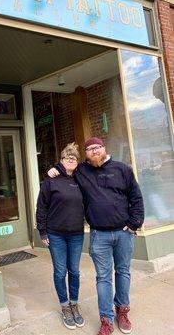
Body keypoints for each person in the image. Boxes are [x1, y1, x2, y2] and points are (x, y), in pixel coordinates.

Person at [48, 137, 144, 335]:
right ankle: (106, 319)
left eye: (97, 148)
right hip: (99, 235)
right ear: (87, 153)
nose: (94, 151)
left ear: (104, 148)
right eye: (90, 149)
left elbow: (136, 196)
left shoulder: (122, 169)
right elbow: (69, 163)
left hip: (123, 233)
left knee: (123, 272)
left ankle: (122, 310)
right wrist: (55, 168)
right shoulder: (83, 171)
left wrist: (134, 223)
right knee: (103, 278)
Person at [36, 143, 85, 330]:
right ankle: (64, 306)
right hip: (56, 234)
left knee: (74, 271)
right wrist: (42, 231)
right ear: (61, 160)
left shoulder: (81, 179)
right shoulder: (50, 181)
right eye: (67, 158)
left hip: (76, 235)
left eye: (74, 158)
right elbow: (41, 207)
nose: (71, 160)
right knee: (59, 272)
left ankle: (74, 304)